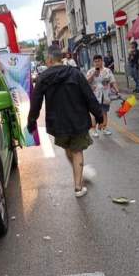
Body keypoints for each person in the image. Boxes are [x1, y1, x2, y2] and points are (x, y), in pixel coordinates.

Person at [27, 45, 103, 198]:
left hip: (58, 124)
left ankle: (78, 181)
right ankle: (78, 185)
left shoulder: (43, 77)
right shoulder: (75, 74)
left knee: (70, 150)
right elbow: (89, 96)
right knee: (76, 151)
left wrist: (31, 121)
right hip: (78, 121)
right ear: (60, 58)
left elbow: (36, 102)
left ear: (49, 59)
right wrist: (99, 116)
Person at [86, 54, 119, 137]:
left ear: (102, 61)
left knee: (104, 113)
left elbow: (112, 81)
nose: (97, 63)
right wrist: (93, 74)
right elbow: (86, 82)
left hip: (105, 96)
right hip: (94, 96)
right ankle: (93, 130)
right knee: (94, 114)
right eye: (95, 61)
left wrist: (117, 91)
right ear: (93, 62)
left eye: (98, 61)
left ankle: (104, 128)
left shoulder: (107, 71)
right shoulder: (90, 71)